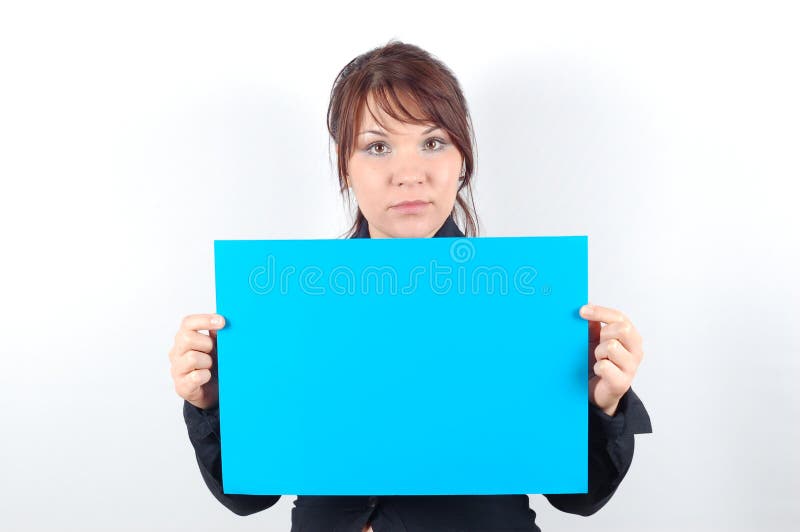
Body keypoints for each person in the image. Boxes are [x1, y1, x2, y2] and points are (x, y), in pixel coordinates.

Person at [169, 40, 652, 532]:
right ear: (346, 166)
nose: (408, 174)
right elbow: (249, 498)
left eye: (433, 142)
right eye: (377, 147)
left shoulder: (525, 301)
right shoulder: (289, 305)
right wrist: (211, 403)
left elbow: (581, 499)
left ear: (462, 160)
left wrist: (601, 403)